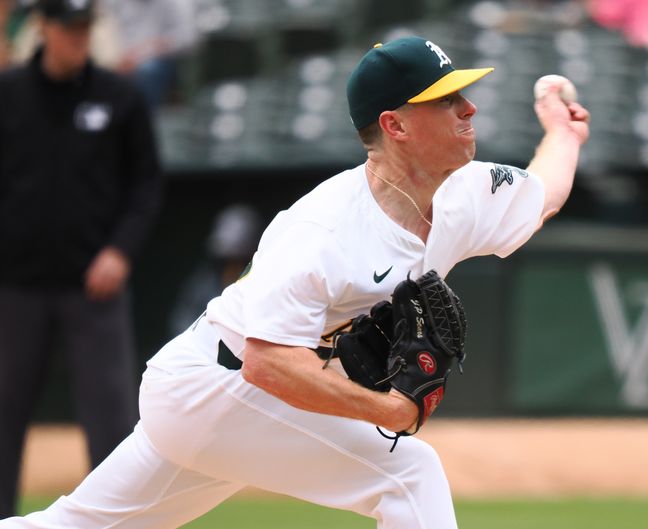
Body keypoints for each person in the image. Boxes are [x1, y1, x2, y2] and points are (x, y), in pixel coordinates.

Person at [0, 35, 589, 528]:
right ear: (396, 124)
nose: (468, 109)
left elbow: (540, 199)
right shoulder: (323, 227)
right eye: (445, 99)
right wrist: (384, 409)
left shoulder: (461, 193)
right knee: (411, 475)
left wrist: (563, 133)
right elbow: (268, 362)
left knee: (75, 525)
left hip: (228, 398)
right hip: (222, 387)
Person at [0, 0, 161, 519]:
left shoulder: (119, 97)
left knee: (111, 420)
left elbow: (145, 185)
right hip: (16, 287)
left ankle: (116, 521)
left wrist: (121, 250)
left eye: (85, 28)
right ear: (44, 29)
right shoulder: (9, 95)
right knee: (3, 415)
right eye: (68, 28)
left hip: (96, 285)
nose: (78, 38)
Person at [169, 203, 264, 336]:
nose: (231, 270)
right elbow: (182, 328)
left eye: (237, 262)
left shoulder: (266, 287)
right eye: (225, 262)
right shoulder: (202, 286)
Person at [103, 0, 199, 109]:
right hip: (120, 58)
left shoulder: (177, 3)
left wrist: (141, 54)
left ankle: (142, 118)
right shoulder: (113, 3)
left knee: (147, 70)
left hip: (159, 61)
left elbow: (188, 38)